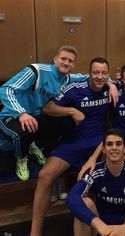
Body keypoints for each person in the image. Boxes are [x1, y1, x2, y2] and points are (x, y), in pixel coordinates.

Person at [30, 57, 113, 236]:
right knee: (45, 175)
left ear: (108, 74)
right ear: (89, 73)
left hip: (98, 145)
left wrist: (115, 85)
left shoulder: (111, 89)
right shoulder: (75, 89)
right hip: (72, 143)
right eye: (95, 72)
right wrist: (71, 110)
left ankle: (107, 225)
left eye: (104, 73)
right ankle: (35, 232)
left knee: (105, 179)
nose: (100, 77)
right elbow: (47, 108)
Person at [0, 45, 89, 181]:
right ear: (55, 59)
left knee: (67, 121)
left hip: (35, 118)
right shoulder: (36, 70)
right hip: (11, 116)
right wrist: (21, 114)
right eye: (63, 59)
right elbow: (6, 89)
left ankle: (32, 144)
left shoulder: (67, 79)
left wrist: (111, 84)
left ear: (73, 65)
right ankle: (22, 158)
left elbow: (90, 77)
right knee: (23, 132)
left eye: (70, 61)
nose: (66, 63)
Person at [66, 128, 125, 236]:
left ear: (124, 148)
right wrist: (99, 224)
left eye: (118, 144)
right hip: (101, 228)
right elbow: (72, 197)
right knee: (85, 203)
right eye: (110, 144)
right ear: (103, 149)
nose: (114, 148)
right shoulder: (95, 171)